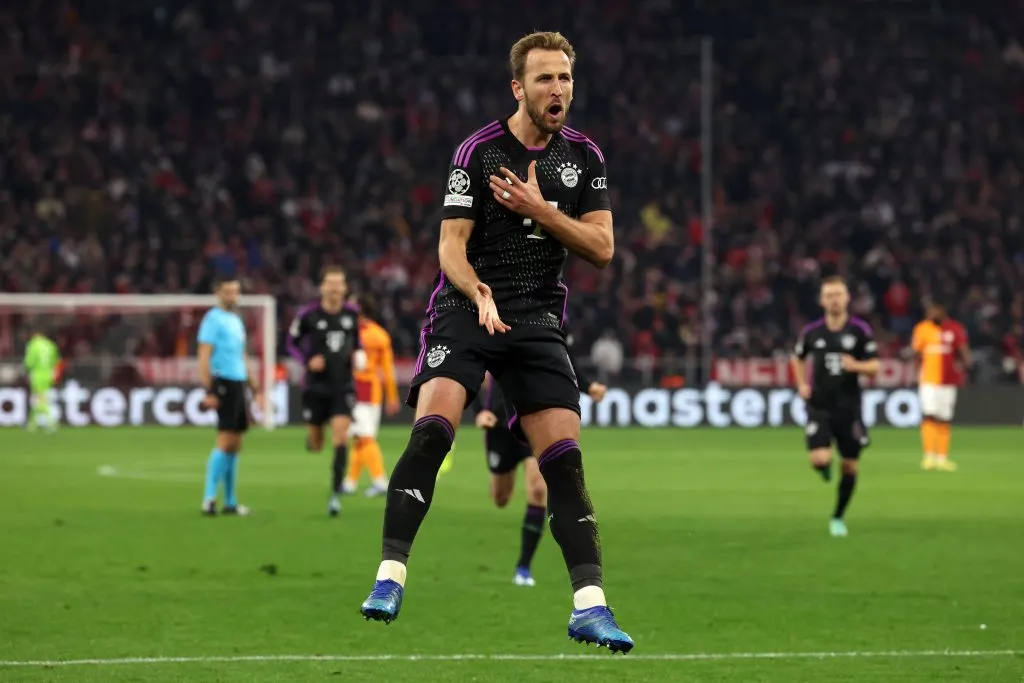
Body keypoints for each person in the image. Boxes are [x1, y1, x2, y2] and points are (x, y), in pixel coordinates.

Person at [358, 31, 632, 652]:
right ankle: (389, 576)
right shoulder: (478, 152)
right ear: (519, 87)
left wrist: (542, 210)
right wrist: (477, 290)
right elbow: (450, 244)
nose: (557, 89)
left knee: (564, 459)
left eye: (564, 78)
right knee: (434, 426)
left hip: (537, 317)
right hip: (467, 304)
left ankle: (590, 606)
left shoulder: (585, 157)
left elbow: (602, 249)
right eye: (544, 79)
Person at [474, 337, 607, 588]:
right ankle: (523, 566)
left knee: (537, 490)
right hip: (498, 425)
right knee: (501, 497)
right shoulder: (493, 316)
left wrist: (587, 387)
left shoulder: (545, 313)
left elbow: (565, 357)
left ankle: (523, 566)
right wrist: (480, 409)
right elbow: (475, 366)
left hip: (532, 415)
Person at [791, 276, 880, 537]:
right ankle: (824, 466)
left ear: (847, 298)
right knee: (819, 459)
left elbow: (875, 367)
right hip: (819, 405)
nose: (834, 299)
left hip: (849, 408)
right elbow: (797, 357)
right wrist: (801, 384)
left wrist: (857, 366)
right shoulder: (812, 332)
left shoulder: (860, 331)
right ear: (822, 300)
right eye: (829, 295)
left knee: (850, 466)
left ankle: (838, 516)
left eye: (838, 294)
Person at [286, 266, 366, 516]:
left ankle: (335, 494)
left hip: (342, 385)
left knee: (341, 437)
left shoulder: (352, 314)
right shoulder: (309, 314)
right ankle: (312, 437)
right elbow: (290, 342)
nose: (334, 288)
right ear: (322, 287)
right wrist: (307, 360)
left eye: (338, 284)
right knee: (317, 443)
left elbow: (357, 340)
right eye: (330, 283)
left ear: (344, 288)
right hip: (315, 386)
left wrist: (359, 354)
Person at [198, 276, 262, 516]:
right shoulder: (212, 319)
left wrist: (252, 381)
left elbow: (241, 354)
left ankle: (231, 501)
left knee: (236, 443)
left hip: (238, 383)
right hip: (223, 382)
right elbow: (204, 355)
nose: (232, 296)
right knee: (225, 440)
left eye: (235, 291)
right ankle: (209, 498)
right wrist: (209, 389)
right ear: (218, 293)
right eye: (227, 292)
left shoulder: (235, 320)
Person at [343, 295, 400, 496]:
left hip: (364, 389)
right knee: (360, 437)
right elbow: (388, 369)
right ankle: (350, 481)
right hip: (364, 389)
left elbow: (387, 368)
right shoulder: (378, 334)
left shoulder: (371, 335)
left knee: (364, 436)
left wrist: (392, 397)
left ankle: (380, 480)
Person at [912, 301, 970, 472]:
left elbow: (963, 351)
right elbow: (917, 354)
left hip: (948, 380)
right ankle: (928, 456)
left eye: (933, 310)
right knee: (929, 415)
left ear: (942, 310)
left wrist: (966, 370)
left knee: (944, 418)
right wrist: (916, 373)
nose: (930, 313)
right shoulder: (922, 329)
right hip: (928, 380)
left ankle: (942, 458)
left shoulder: (954, 329)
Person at [23, 330, 60, 433]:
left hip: (37, 374)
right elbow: (56, 361)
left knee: (40, 399)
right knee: (39, 398)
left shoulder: (33, 345)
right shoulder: (50, 345)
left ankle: (51, 422)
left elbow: (29, 362)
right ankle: (32, 423)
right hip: (48, 374)